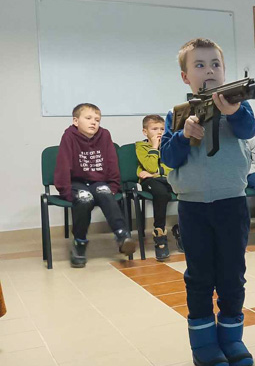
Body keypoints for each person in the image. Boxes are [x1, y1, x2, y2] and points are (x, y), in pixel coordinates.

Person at [161, 38, 255, 366]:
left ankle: (232, 338)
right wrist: (184, 135)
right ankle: (203, 343)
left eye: (215, 64)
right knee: (200, 276)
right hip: (193, 207)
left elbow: (249, 129)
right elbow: (169, 158)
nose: (209, 70)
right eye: (199, 65)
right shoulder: (177, 114)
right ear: (186, 77)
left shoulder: (239, 107)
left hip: (231, 203)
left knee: (233, 275)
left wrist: (235, 109)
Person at [54, 103, 136, 268]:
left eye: (97, 120)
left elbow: (112, 162)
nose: (94, 122)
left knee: (104, 191)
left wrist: (113, 186)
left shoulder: (104, 135)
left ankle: (122, 236)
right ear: (76, 121)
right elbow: (63, 165)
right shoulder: (69, 136)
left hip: (98, 181)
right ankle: (79, 243)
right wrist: (67, 192)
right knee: (84, 199)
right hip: (76, 182)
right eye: (89, 118)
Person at [136, 114, 176, 260]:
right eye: (154, 129)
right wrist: (154, 147)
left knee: (185, 188)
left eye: (162, 129)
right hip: (150, 183)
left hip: (166, 179)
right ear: (145, 132)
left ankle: (183, 230)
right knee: (161, 194)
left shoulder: (169, 146)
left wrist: (155, 173)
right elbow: (150, 166)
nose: (159, 132)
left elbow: (172, 168)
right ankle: (160, 235)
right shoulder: (141, 147)